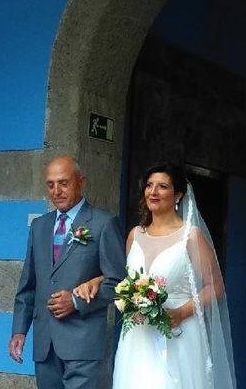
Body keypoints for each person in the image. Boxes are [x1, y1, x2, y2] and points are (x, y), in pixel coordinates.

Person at [74, 162, 236, 389]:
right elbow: (125, 279)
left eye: (162, 186)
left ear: (177, 195)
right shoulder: (135, 235)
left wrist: (182, 312)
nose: (153, 192)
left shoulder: (191, 236)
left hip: (178, 332)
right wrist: (96, 280)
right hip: (137, 336)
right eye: (149, 185)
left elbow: (215, 286)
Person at [8, 155, 127, 389]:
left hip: (82, 343)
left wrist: (76, 301)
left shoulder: (104, 223)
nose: (56, 191)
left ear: (81, 181)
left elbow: (119, 282)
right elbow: (29, 285)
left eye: (64, 183)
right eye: (50, 184)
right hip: (45, 344)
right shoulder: (39, 226)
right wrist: (19, 331)